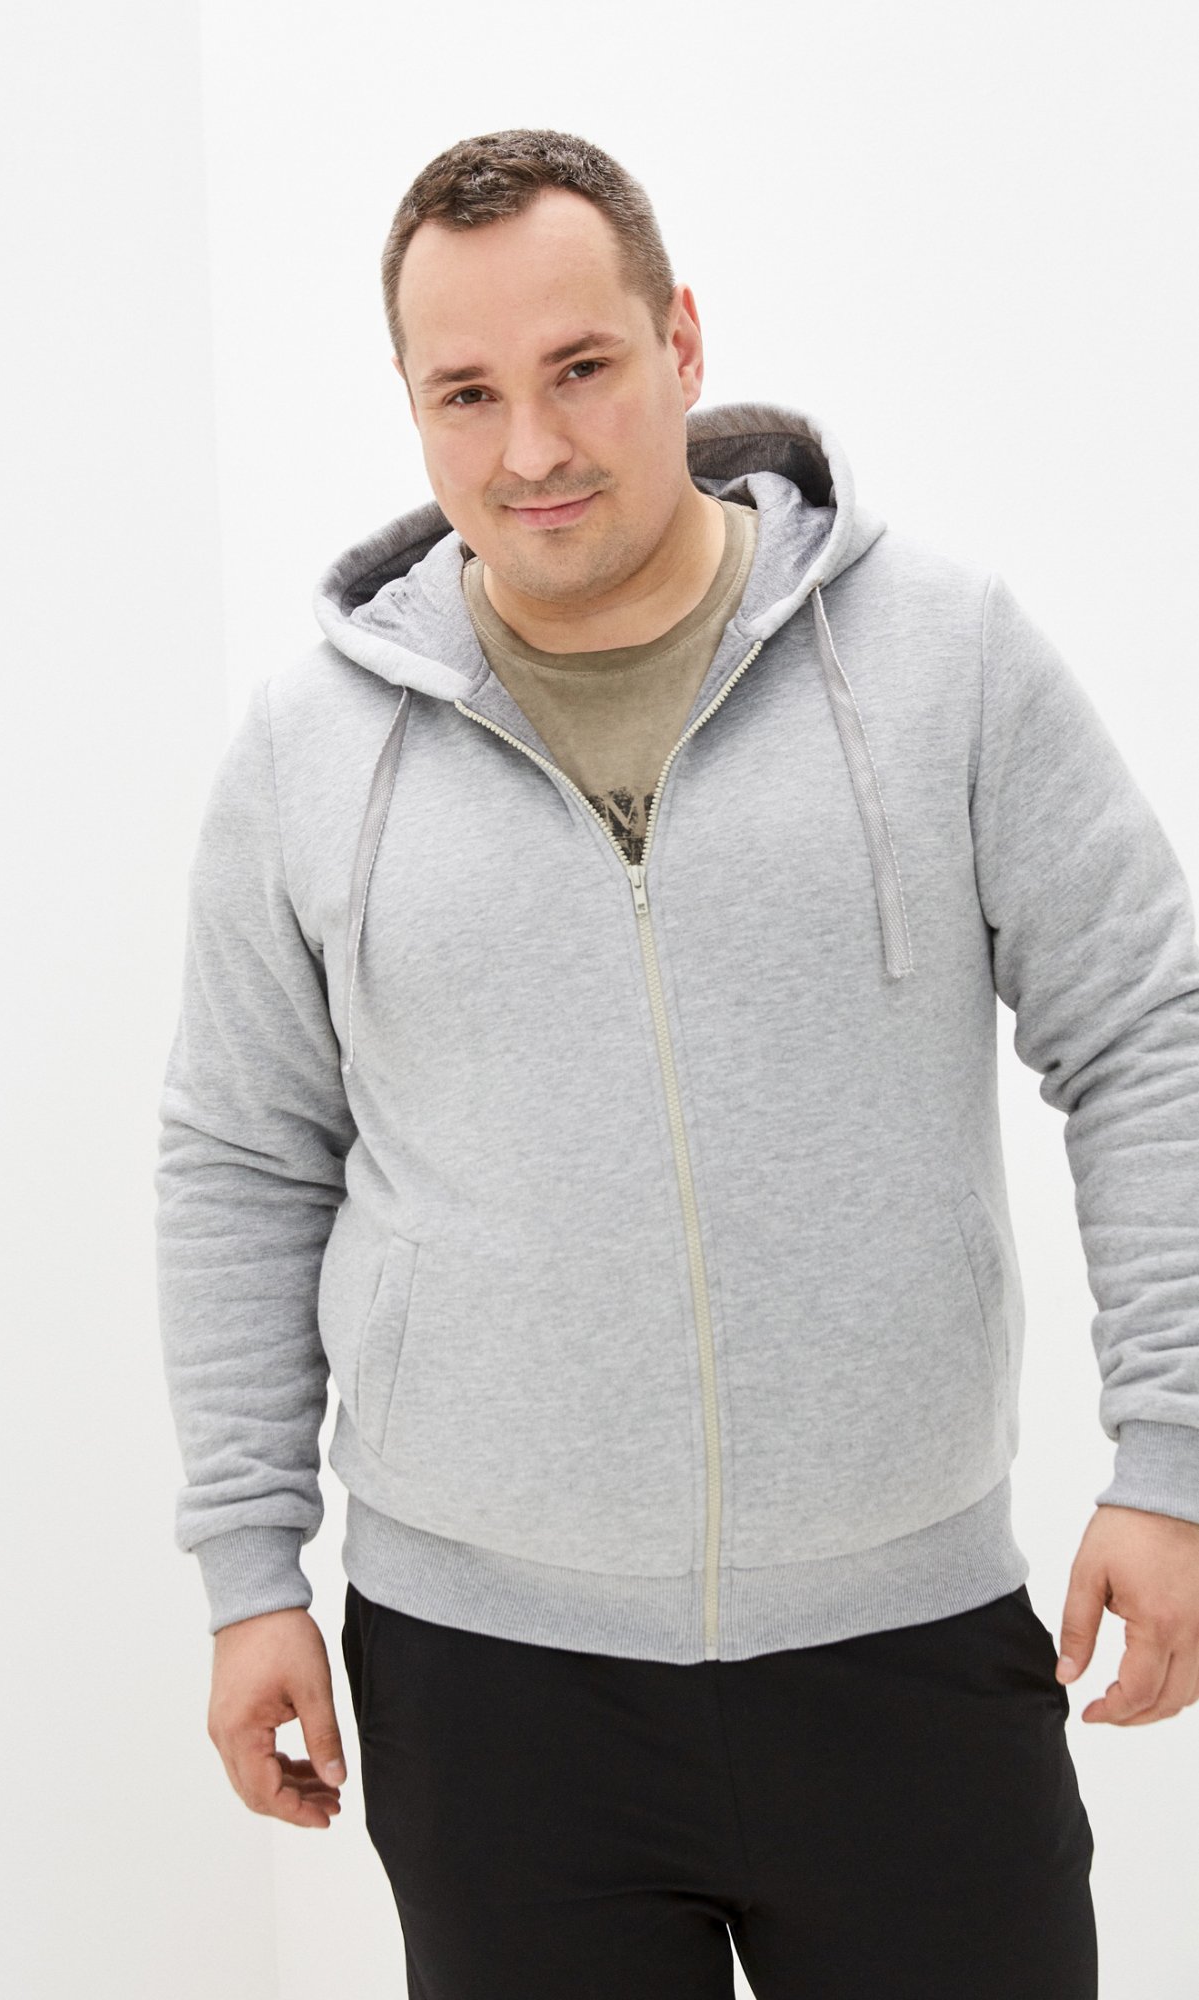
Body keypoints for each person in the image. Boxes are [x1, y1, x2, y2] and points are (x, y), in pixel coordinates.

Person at [154, 128, 1199, 1997]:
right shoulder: (313, 750)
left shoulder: (943, 657)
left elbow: (1145, 1032)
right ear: (409, 403)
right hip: (485, 1685)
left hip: (904, 1647)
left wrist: (1172, 1454)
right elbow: (241, 1157)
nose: (530, 449)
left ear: (682, 340)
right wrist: (250, 1571)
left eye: (580, 368)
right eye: (466, 394)